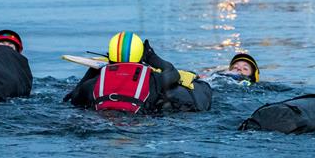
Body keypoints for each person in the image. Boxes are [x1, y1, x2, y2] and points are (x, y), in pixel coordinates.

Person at [64, 32, 211, 113]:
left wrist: (94, 69)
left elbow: (72, 97)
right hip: (136, 124)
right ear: (141, 56)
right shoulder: (152, 79)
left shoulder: (92, 84)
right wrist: (152, 57)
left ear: (110, 56)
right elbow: (173, 73)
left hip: (99, 120)